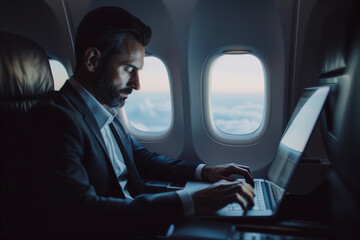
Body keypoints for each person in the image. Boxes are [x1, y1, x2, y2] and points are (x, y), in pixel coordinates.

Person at [25, 6, 255, 239]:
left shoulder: (103, 112)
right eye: (128, 69)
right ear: (93, 60)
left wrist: (205, 171)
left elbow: (143, 159)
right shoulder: (55, 119)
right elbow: (81, 211)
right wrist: (190, 202)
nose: (137, 84)